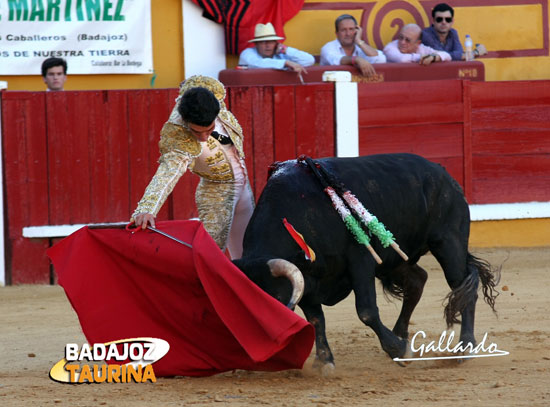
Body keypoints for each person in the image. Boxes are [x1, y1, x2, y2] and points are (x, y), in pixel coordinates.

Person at [131, 75, 255, 259]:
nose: (204, 137)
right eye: (197, 131)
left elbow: (199, 83)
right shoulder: (178, 135)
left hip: (244, 188)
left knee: (250, 253)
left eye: (209, 129)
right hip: (216, 194)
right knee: (210, 258)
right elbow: (168, 172)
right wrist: (148, 207)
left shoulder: (211, 97)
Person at [320, 14, 386, 77]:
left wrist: (359, 41)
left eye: (351, 29)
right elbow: (336, 59)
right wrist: (356, 59)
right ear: (337, 33)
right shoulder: (328, 47)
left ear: (357, 31)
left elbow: (380, 58)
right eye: (343, 30)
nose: (348, 34)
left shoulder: (360, 47)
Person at [238, 22, 314, 74]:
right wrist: (285, 63)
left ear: (276, 43)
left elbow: (309, 60)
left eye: (271, 42)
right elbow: (257, 63)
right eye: (263, 42)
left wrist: (287, 50)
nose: (267, 45)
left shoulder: (281, 54)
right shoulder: (247, 53)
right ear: (256, 44)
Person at [421, 3, 487, 61]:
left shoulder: (453, 32)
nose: (444, 22)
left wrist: (463, 55)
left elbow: (459, 53)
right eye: (439, 19)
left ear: (452, 21)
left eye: (448, 19)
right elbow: (443, 56)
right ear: (433, 21)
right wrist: (475, 53)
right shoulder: (426, 35)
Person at [383, 24, 451, 65]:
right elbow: (402, 59)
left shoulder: (421, 48)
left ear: (417, 43)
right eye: (401, 37)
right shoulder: (390, 47)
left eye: (408, 40)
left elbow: (447, 56)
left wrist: (433, 57)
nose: (402, 42)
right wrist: (423, 57)